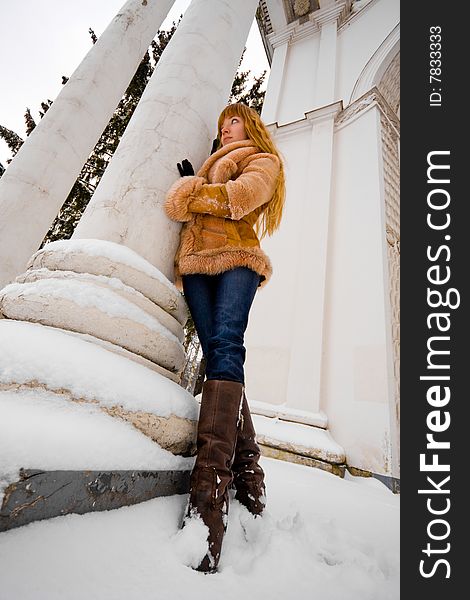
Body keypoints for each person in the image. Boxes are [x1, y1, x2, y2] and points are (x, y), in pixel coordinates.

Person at [164, 102, 285, 573]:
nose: (225, 128)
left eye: (232, 120)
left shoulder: (263, 159)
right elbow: (194, 205)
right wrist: (203, 182)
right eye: (222, 125)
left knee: (228, 346)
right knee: (219, 356)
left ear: (248, 124)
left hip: (237, 259)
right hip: (196, 265)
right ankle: (248, 472)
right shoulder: (212, 167)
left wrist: (193, 189)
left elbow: (240, 199)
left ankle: (209, 497)